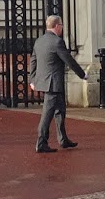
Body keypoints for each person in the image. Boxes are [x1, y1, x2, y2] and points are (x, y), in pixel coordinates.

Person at [30, 15, 85, 152]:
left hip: (46, 81)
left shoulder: (39, 41)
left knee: (60, 111)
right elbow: (69, 60)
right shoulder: (57, 42)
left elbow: (33, 61)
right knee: (47, 114)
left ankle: (63, 139)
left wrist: (33, 79)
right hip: (53, 83)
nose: (62, 28)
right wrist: (82, 74)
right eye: (61, 25)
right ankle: (41, 142)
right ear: (57, 26)